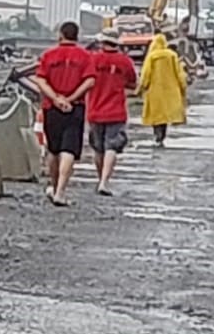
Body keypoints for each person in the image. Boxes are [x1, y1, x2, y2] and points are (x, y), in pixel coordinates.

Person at [32, 20, 96, 206]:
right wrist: (70, 98)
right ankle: (60, 191)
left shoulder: (48, 55)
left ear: (60, 34)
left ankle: (54, 186)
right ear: (77, 35)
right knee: (69, 149)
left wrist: (56, 99)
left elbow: (41, 80)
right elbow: (90, 81)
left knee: (53, 149)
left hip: (51, 109)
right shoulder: (85, 56)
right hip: (75, 107)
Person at [86, 28, 140, 196]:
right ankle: (104, 181)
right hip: (116, 110)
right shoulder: (125, 62)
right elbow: (132, 84)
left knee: (98, 148)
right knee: (112, 146)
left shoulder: (93, 60)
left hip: (95, 109)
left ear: (102, 42)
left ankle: (99, 177)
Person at [136, 32, 189, 147]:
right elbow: (180, 74)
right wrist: (183, 87)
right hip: (170, 91)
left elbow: (145, 75)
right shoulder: (172, 56)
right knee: (165, 116)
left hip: (154, 91)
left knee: (156, 116)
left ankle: (157, 135)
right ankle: (162, 136)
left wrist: (140, 89)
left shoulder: (151, 57)